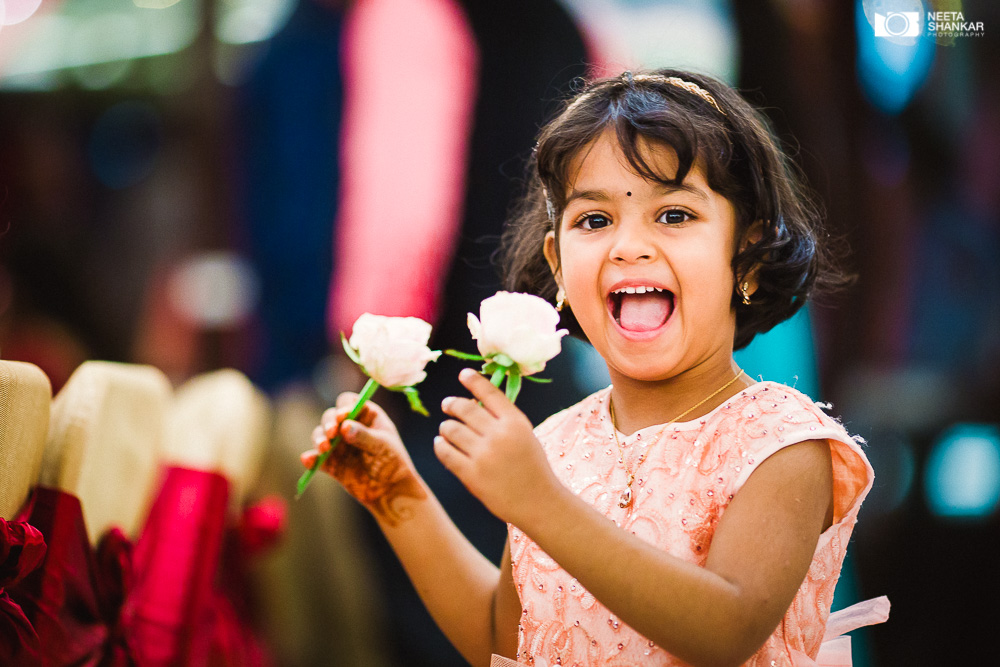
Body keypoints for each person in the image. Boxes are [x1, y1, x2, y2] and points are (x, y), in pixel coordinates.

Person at [302, 69, 887, 666]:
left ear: (749, 256)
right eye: (595, 220)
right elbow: (501, 641)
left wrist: (541, 503)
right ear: (558, 264)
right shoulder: (554, 445)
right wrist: (400, 500)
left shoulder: (781, 445)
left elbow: (728, 629)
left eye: (675, 215)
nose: (629, 246)